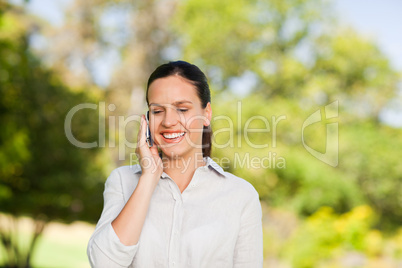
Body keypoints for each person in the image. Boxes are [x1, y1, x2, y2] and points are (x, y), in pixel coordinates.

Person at [87, 61, 263, 267]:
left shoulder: (241, 195)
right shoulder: (122, 181)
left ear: (206, 114)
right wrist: (149, 178)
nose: (169, 121)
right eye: (157, 111)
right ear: (147, 119)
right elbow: (103, 263)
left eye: (182, 108)